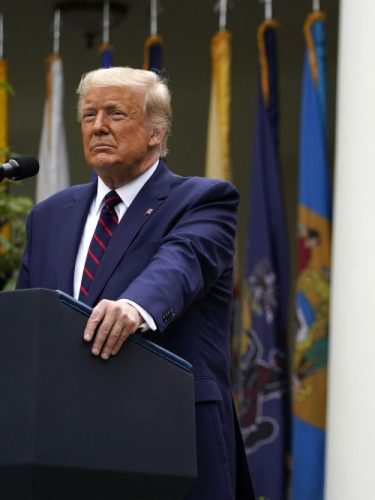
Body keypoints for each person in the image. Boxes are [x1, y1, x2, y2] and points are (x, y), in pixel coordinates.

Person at [16, 67, 255, 500]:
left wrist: (133, 306)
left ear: (156, 133)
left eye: (116, 113)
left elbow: (182, 262)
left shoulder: (203, 200)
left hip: (168, 439)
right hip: (62, 447)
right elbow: (26, 324)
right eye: (88, 115)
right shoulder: (48, 216)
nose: (98, 126)